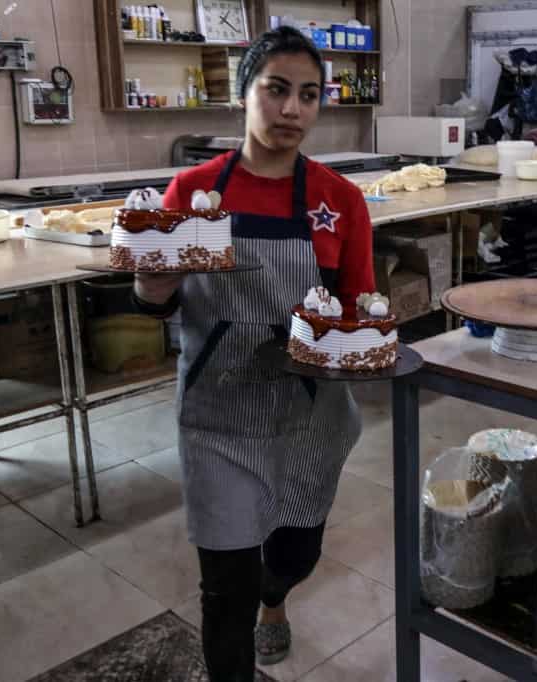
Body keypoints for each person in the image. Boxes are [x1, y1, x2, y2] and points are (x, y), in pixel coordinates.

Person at [133, 26, 374, 682]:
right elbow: (158, 298)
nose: (292, 109)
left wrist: (346, 345)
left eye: (309, 95)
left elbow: (356, 308)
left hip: (309, 416)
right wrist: (151, 285)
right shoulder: (193, 191)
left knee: (294, 555)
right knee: (224, 592)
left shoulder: (340, 201)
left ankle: (279, 597)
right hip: (220, 413)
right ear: (244, 95)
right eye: (275, 90)